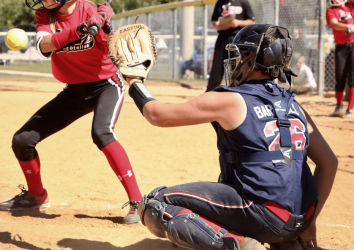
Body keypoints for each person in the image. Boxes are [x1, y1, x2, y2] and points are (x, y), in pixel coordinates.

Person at [126, 24, 337, 249]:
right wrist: (309, 222)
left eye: (238, 55)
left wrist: (134, 80)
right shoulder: (293, 104)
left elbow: (156, 115)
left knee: (155, 204)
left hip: (263, 215)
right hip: (299, 220)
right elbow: (329, 163)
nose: (234, 62)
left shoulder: (232, 99)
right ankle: (287, 243)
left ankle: (241, 244)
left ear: (250, 58)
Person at [0, 0, 143, 224]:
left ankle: (137, 202)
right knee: (22, 140)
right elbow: (44, 45)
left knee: (101, 133)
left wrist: (104, 26)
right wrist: (80, 30)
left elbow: (107, 48)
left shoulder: (89, 9)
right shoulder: (45, 15)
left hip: (105, 85)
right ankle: (37, 195)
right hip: (73, 91)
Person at [206, 0, 255, 92]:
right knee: (217, 67)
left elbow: (251, 21)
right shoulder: (220, 2)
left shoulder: (243, 2)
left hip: (238, 38)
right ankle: (210, 92)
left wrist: (238, 23)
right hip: (222, 38)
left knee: (236, 67)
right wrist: (217, 25)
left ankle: (238, 91)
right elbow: (214, 20)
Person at [326, 0, 354, 118]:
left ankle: (350, 109)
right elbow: (333, 23)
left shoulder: (350, 6)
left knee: (353, 77)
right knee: (340, 77)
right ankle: (339, 105)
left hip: (353, 45)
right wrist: (347, 26)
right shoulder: (331, 11)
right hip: (340, 47)